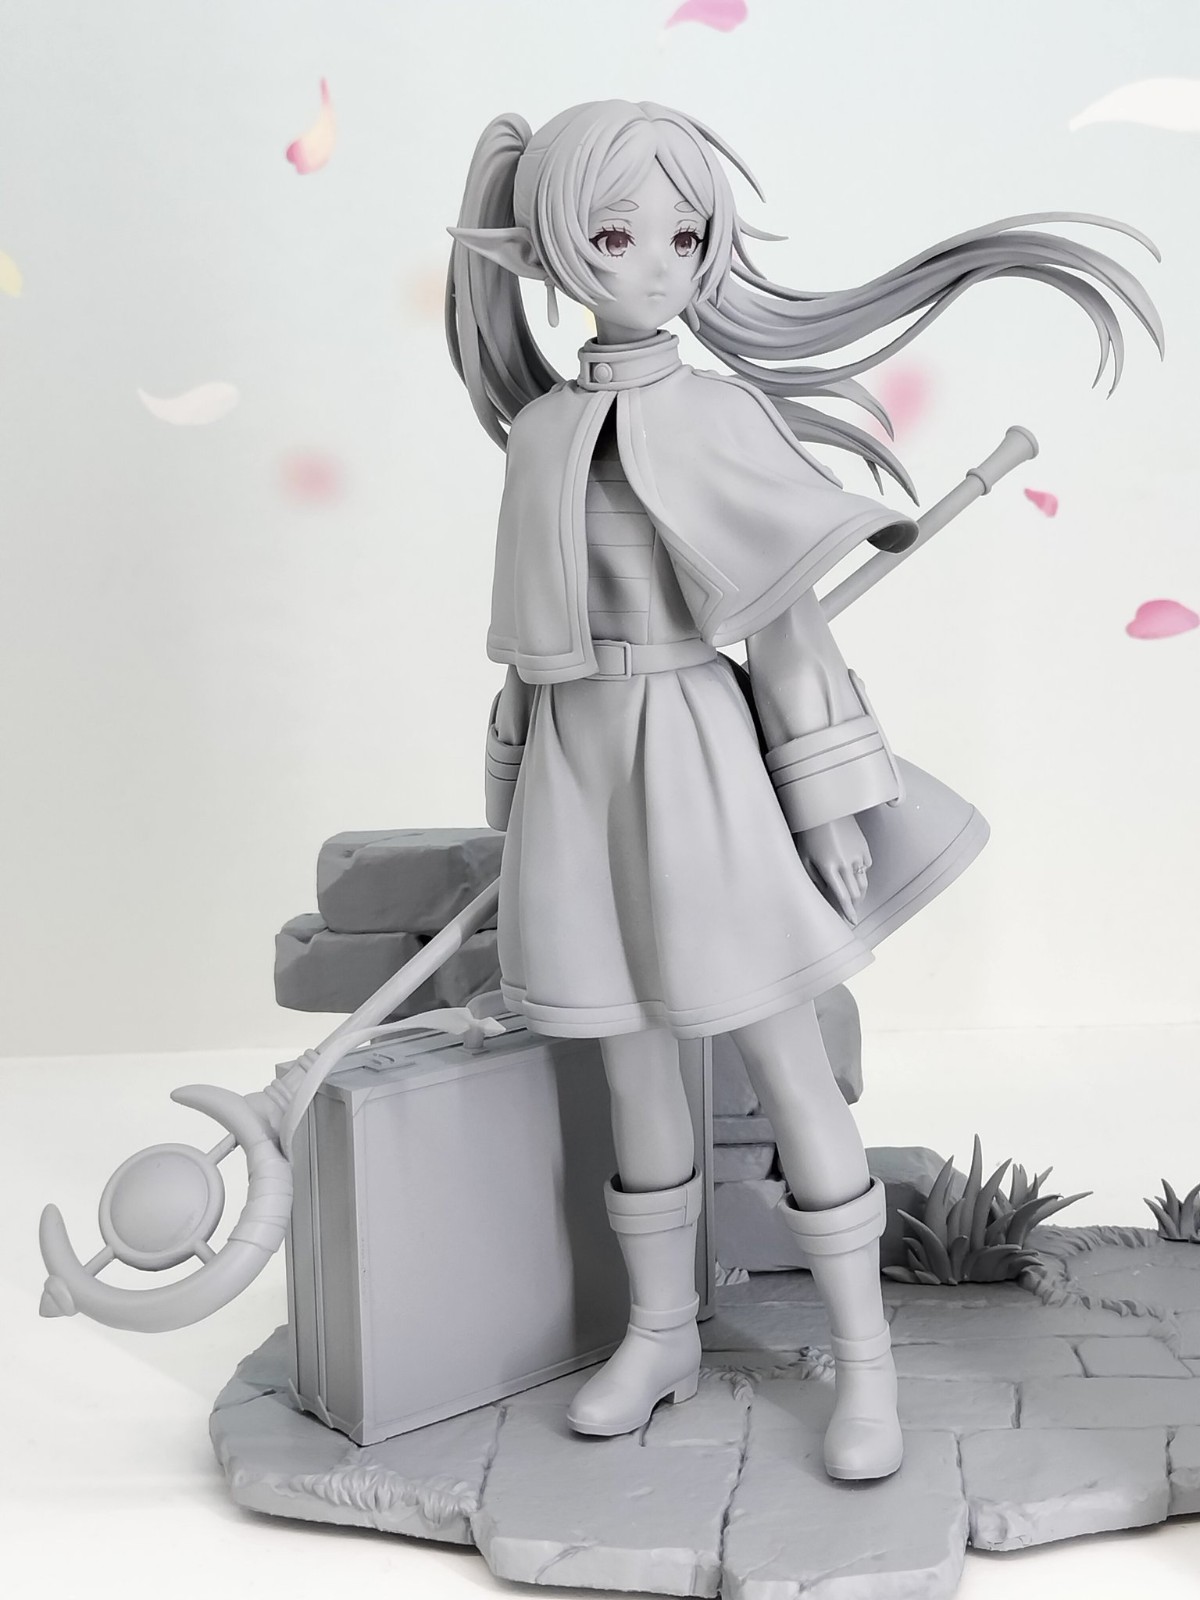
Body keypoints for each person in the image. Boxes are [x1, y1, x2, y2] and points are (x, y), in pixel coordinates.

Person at [445, 99, 1160, 1480]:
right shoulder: (540, 436)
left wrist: (826, 801)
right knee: (634, 1067)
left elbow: (784, 631)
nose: (660, 263)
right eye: (616, 235)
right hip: (580, 782)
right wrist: (510, 797)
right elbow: (528, 649)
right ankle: (660, 1331)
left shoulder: (718, 412)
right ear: (547, 248)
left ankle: (865, 1362)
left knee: (780, 1054)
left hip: (698, 763)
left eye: (686, 235)